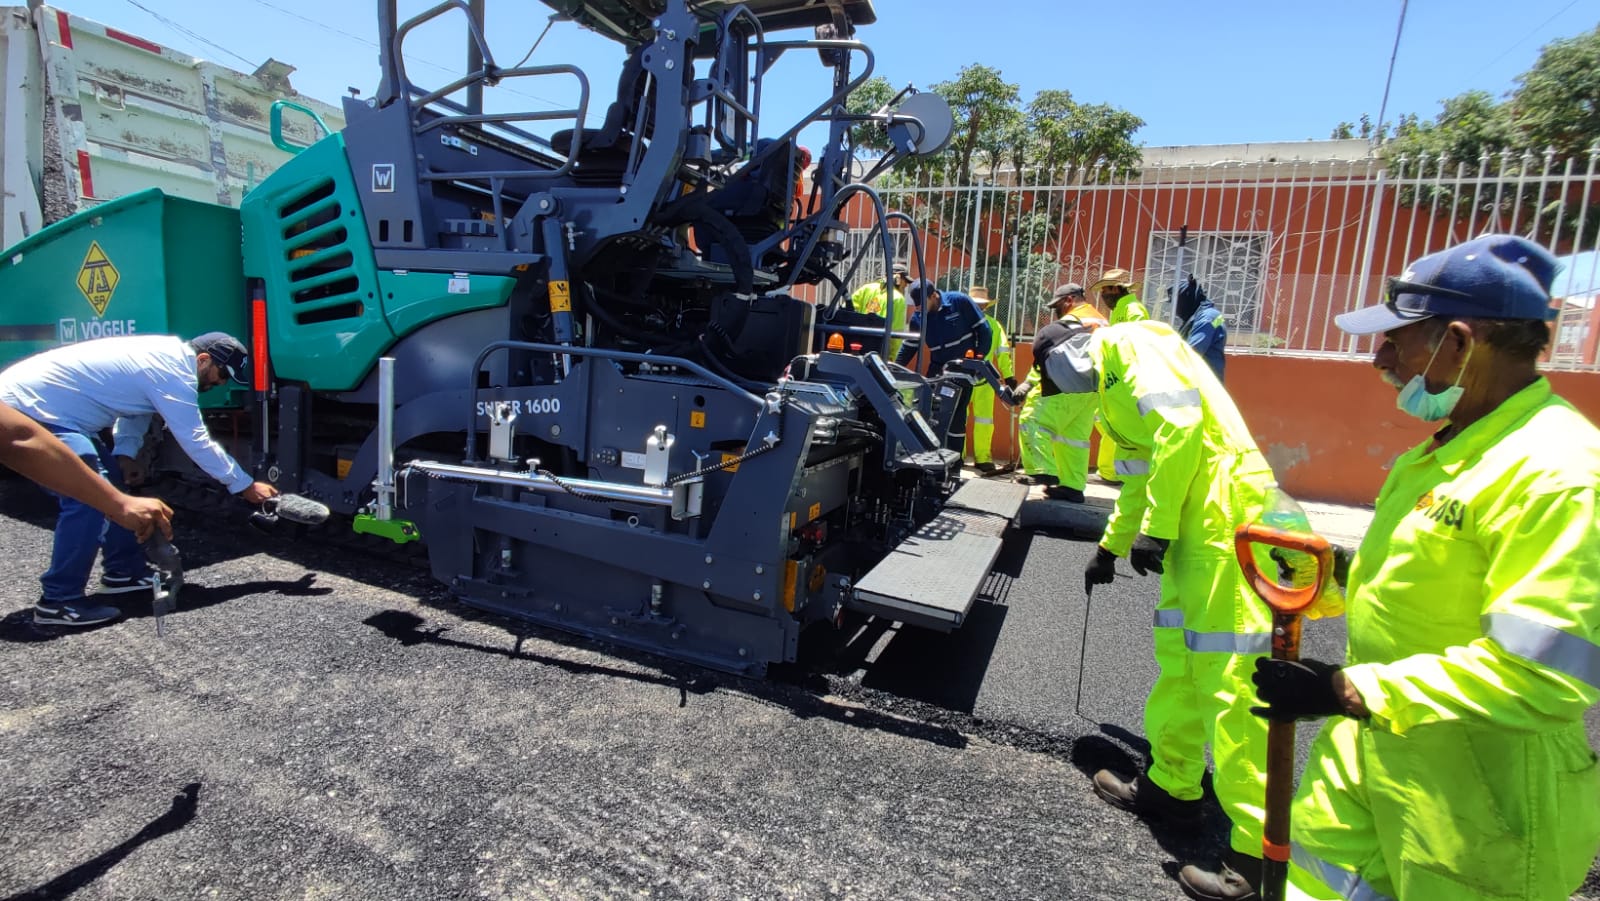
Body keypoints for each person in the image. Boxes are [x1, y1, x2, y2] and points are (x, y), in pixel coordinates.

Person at [1251, 234, 1600, 901]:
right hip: (1374, 760)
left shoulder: (1560, 473)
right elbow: (1434, 576)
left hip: (1477, 802)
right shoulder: (1449, 448)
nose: (1379, 356)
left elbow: (1543, 675)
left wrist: (1344, 692)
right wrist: (1341, 569)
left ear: (1462, 344)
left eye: (1397, 339)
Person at [1068, 317, 1285, 900]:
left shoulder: (1129, 342)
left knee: (1235, 680)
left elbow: (1183, 428)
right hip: (1193, 523)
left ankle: (1259, 860)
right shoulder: (1117, 388)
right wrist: (1111, 547)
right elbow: (1142, 472)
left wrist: (1157, 530)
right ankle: (1172, 787)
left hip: (1223, 515)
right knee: (1184, 662)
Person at [0, 331, 279, 626]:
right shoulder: (174, 371)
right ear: (203, 359)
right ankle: (58, 601)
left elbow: (135, 408)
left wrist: (125, 453)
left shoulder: (161, 361)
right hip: (35, 410)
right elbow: (195, 441)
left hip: (54, 412)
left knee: (113, 491)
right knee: (89, 498)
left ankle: (123, 572)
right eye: (222, 374)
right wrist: (245, 485)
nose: (220, 383)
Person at [0, 400, 173, 542]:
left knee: (102, 486)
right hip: (42, 410)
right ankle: (63, 584)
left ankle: (122, 572)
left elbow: (20, 439)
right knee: (85, 500)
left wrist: (119, 503)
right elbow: (20, 439)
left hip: (48, 412)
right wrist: (119, 504)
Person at [1015, 284, 1103, 501]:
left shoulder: (1074, 321)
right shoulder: (1100, 320)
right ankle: (1072, 487)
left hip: (1066, 386)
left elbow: (1051, 353)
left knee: (1031, 420)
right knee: (1073, 437)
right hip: (1091, 389)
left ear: (1070, 300)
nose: (1056, 311)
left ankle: (1042, 470)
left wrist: (1029, 384)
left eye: (1058, 306)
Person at [1088, 267, 1148, 481]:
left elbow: (1136, 346)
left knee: (1117, 425)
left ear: (1116, 288)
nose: (1103, 296)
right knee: (1106, 422)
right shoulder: (1121, 310)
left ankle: (1112, 473)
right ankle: (1108, 471)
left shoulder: (1133, 310)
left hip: (1124, 379)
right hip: (1114, 376)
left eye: (1105, 291)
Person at [967, 285, 1014, 473]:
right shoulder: (994, 325)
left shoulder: (965, 323)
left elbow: (1002, 352)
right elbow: (1003, 353)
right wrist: (1008, 375)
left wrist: (1008, 375)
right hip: (983, 378)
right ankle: (981, 458)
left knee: (975, 420)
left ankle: (964, 455)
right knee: (982, 420)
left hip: (970, 377)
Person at [852, 262, 911, 359]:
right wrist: (892, 358)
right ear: (898, 279)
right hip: (879, 354)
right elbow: (895, 332)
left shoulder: (866, 289)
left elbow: (848, 309)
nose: (905, 287)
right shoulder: (898, 299)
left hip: (856, 348)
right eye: (905, 282)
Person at [1175, 275, 1227, 381]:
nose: (1176, 309)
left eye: (1178, 303)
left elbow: (1192, 351)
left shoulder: (1208, 317)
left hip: (1204, 385)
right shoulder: (1204, 315)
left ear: (1186, 299)